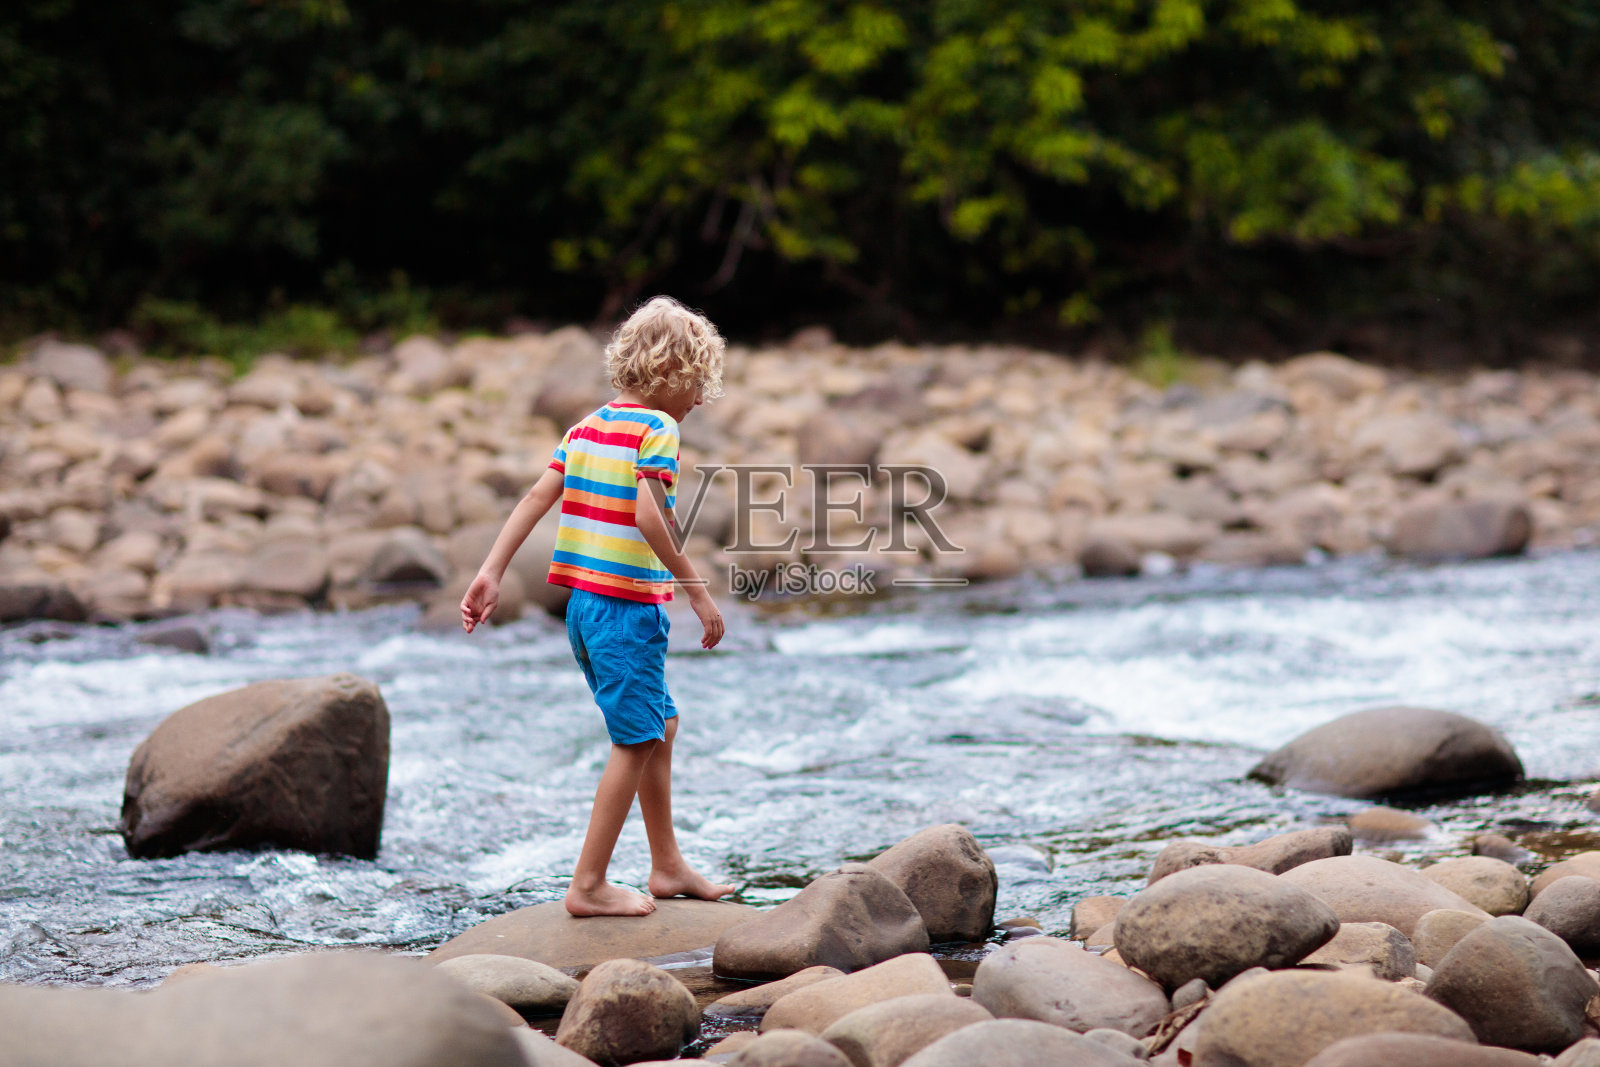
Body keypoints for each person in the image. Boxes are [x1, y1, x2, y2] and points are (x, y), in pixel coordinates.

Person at [460, 296, 733, 917]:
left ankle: (666, 866)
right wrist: (696, 588)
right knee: (635, 740)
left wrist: (490, 570)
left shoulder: (585, 427)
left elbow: (536, 497)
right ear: (674, 374)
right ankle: (588, 885)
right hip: (625, 610)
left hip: (585, 608)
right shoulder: (657, 430)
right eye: (698, 386)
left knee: (659, 724)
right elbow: (648, 515)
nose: (698, 402)